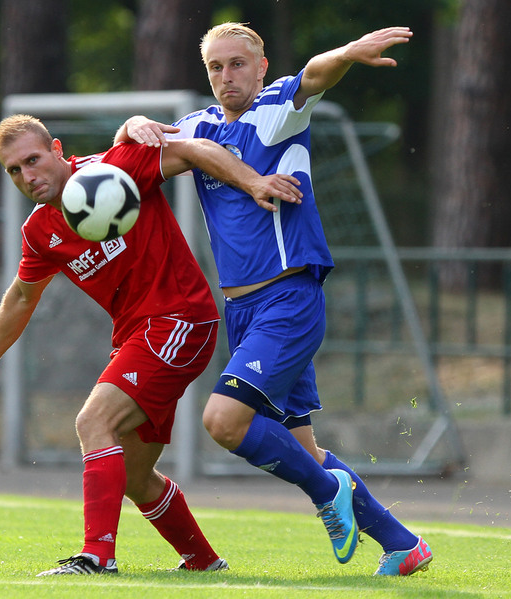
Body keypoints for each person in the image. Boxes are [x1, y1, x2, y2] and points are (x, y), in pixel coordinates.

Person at [116, 23, 432, 575]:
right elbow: (133, 157)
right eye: (215, 67)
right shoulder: (196, 126)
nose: (225, 76)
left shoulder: (279, 106)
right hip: (243, 312)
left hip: (288, 298)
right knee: (303, 449)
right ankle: (403, 545)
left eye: (237, 64)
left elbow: (314, 74)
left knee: (223, 421)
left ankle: (324, 493)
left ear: (261, 68)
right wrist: (132, 125)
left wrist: (348, 55)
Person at [0, 114, 304, 575]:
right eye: (14, 170)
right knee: (131, 475)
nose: (27, 176)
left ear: (57, 149)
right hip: (139, 336)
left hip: (180, 319)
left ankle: (96, 557)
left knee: (93, 420)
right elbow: (22, 297)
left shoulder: (113, 169)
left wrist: (253, 182)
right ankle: (204, 562)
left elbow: (190, 150)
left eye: (32, 160)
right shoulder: (39, 231)